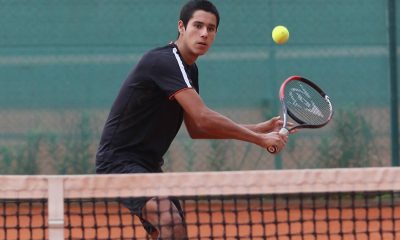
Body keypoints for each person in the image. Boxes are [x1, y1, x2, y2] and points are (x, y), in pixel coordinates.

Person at [95, 0, 289, 239]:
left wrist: (259, 128)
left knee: (166, 226)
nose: (204, 33)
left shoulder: (189, 69)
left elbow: (197, 128)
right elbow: (202, 117)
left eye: (211, 28)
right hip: (118, 163)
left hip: (148, 165)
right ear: (181, 27)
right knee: (169, 219)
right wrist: (259, 138)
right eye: (197, 25)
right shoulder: (165, 61)